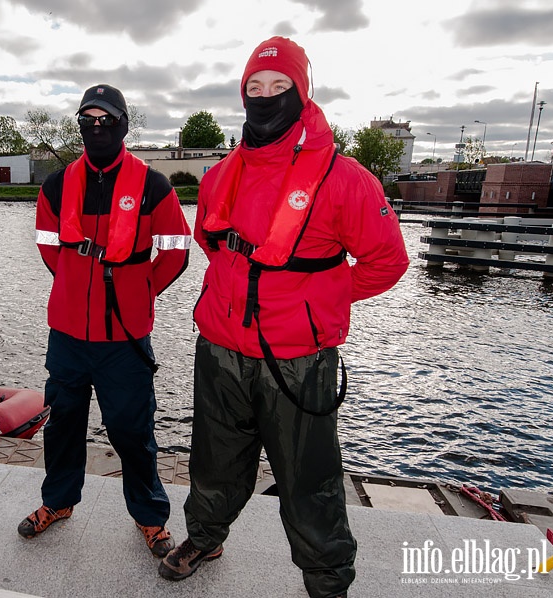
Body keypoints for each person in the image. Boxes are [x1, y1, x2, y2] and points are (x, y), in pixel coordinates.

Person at [158, 37, 409, 598]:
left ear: (303, 94)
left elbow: (388, 261)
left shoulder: (346, 178)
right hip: (220, 349)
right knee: (213, 457)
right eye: (255, 88)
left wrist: (317, 304)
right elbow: (213, 245)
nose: (265, 98)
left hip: (298, 359)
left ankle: (326, 579)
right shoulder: (221, 174)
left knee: (309, 479)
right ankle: (205, 536)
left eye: (279, 88)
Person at [24, 84, 191, 558]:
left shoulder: (153, 185)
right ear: (79, 126)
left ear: (122, 124)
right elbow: (48, 247)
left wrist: (139, 292)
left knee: (133, 431)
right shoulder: (56, 185)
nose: (96, 128)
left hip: (125, 338)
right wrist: (78, 285)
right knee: (62, 426)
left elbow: (177, 251)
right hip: (68, 336)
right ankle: (57, 504)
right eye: (87, 120)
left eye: (106, 120)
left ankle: (150, 517)